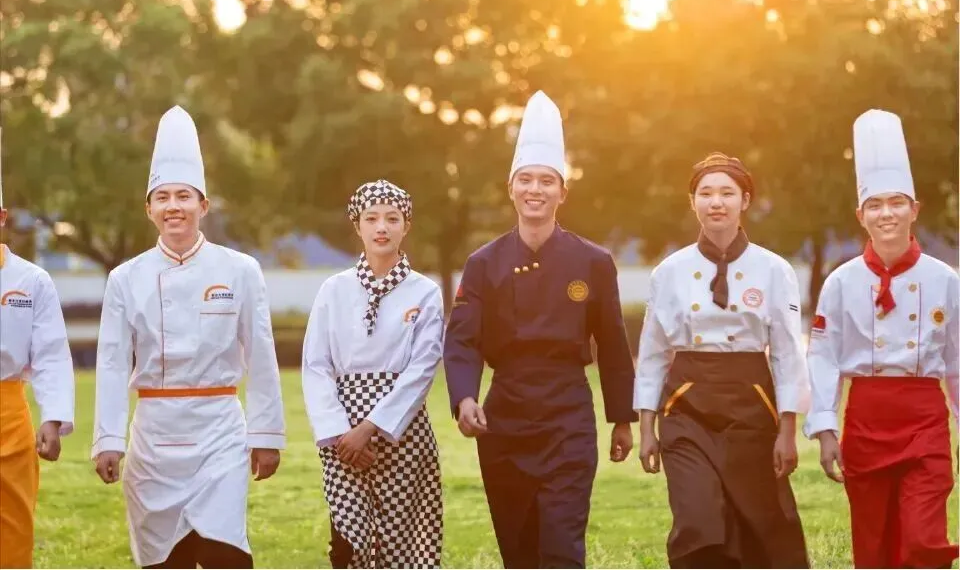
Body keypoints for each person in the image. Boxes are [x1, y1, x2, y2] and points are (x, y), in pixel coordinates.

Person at [443, 91, 636, 569]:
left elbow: (613, 343)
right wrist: (465, 397)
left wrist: (621, 417)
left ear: (562, 192)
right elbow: (463, 338)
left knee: (562, 546)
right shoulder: (483, 263)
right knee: (518, 548)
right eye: (526, 179)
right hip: (504, 416)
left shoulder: (593, 262)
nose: (536, 189)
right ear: (511, 188)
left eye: (547, 181)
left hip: (568, 415)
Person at [90, 106, 286, 569]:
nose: (173, 206)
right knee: (164, 559)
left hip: (219, 431)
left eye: (184, 196)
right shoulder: (125, 278)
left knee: (225, 552)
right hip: (153, 436)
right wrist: (108, 439)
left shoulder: (240, 270)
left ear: (204, 205)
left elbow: (261, 355)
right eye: (162, 197)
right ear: (149, 209)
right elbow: (112, 362)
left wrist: (266, 435)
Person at [634, 152, 810, 568]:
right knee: (698, 518)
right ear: (692, 201)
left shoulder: (774, 269)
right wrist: (646, 428)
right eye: (706, 193)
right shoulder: (669, 271)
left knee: (760, 519)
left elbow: (787, 353)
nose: (716, 202)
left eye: (727, 193)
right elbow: (653, 352)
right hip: (685, 404)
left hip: (752, 401)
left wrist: (787, 431)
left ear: (744, 201)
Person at [805, 109, 959, 569]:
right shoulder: (841, 282)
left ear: (915, 210)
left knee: (922, 540)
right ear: (860, 215)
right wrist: (825, 427)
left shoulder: (945, 279)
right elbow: (824, 356)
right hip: (866, 420)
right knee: (873, 546)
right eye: (875, 205)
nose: (886, 213)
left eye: (896, 202)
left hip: (924, 419)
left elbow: (957, 360)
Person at [302, 179, 444, 568]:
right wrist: (340, 433)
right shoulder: (334, 289)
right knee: (349, 544)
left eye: (392, 219)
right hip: (342, 435)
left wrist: (371, 428)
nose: (382, 227)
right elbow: (316, 365)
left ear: (406, 226)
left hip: (403, 430)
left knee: (403, 544)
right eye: (372, 218)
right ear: (358, 225)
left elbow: (422, 368)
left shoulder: (425, 292)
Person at [0, 128, 75, 569]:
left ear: (2, 217)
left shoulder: (32, 280)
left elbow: (50, 353)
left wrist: (53, 416)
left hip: (9, 413)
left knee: (14, 523)